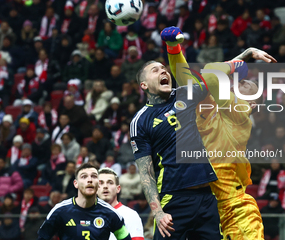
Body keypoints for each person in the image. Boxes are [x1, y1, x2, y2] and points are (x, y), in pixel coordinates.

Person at [166, 26, 275, 239]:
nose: (238, 84)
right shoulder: (212, 105)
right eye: (239, 82)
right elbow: (189, 81)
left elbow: (212, 73)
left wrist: (235, 64)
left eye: (246, 86)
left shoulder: (241, 112)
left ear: (252, 103)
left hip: (233, 207)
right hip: (203, 205)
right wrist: (173, 48)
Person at [130, 27, 222, 240]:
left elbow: (215, 76)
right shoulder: (140, 121)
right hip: (174, 200)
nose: (164, 72)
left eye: (164, 69)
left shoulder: (185, 95)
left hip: (207, 197)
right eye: (155, 70)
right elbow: (146, 174)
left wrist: (247, 54)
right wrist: (158, 212)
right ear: (144, 85)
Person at [37, 163, 132, 240]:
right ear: (76, 184)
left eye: (94, 176)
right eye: (84, 177)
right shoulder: (59, 210)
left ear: (98, 184)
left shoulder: (111, 213)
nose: (89, 180)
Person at [97, 167, 144, 240]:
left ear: (118, 189)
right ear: (96, 189)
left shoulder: (131, 215)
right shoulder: (87, 214)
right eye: (101, 183)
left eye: (110, 183)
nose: (105, 186)